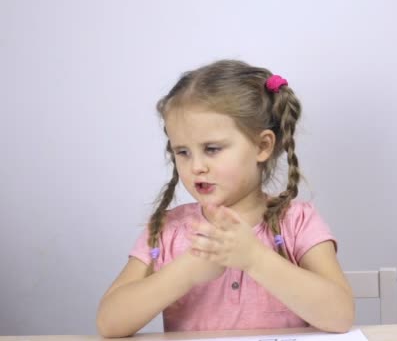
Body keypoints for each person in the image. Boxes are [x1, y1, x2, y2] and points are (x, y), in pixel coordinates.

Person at [96, 60, 354, 337]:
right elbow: (109, 323)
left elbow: (340, 317)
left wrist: (254, 258)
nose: (196, 166)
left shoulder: (298, 223)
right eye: (182, 152)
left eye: (212, 149)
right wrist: (187, 270)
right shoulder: (168, 229)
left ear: (262, 146)